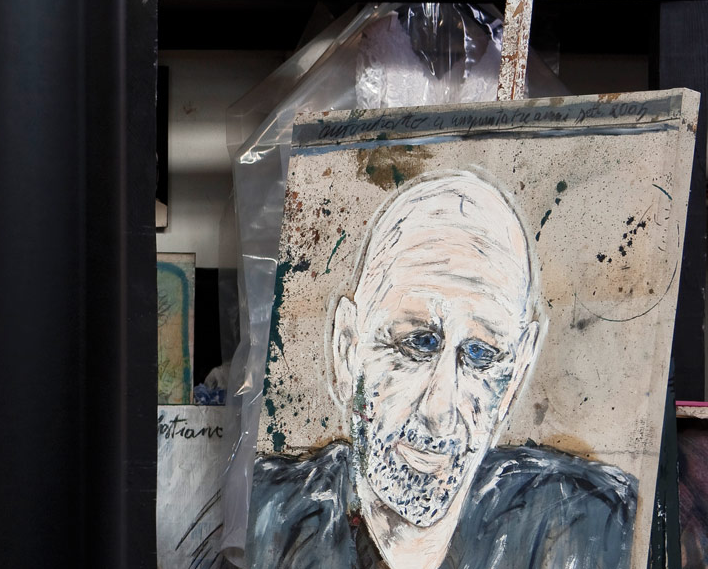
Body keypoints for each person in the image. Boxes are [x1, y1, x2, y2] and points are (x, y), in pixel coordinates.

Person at [250, 171, 635, 569]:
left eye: (480, 354)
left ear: (515, 377)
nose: (440, 411)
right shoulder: (260, 520)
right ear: (347, 350)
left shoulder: (598, 530)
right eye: (418, 343)